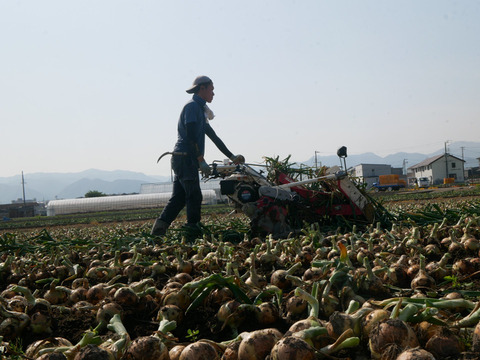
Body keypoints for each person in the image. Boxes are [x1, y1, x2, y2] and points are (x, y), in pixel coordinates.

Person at [151, 75, 244, 237]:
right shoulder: (192, 107)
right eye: (212, 89)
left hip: (185, 158)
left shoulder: (200, 111)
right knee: (194, 196)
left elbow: (213, 137)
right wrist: (200, 159)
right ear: (202, 88)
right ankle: (192, 233)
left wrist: (232, 156)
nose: (213, 94)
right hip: (185, 157)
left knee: (179, 198)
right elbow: (191, 134)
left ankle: (158, 232)